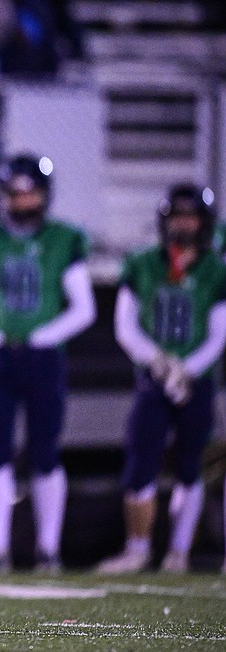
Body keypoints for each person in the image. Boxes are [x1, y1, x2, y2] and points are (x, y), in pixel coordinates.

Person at [0, 153, 96, 572]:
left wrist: (37, 339)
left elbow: (82, 308)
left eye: (29, 193)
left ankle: (48, 550)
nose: (22, 201)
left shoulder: (64, 238)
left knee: (46, 452)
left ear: (44, 196)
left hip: (43, 358)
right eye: (15, 193)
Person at [97, 184, 226, 574]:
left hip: (197, 381)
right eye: (177, 217)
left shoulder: (215, 270)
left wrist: (186, 370)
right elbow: (125, 326)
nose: (184, 225)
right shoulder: (143, 264)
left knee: (193, 465)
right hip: (153, 380)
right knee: (140, 462)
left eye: (191, 217)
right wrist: (158, 361)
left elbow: (219, 333)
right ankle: (137, 549)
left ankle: (178, 552)